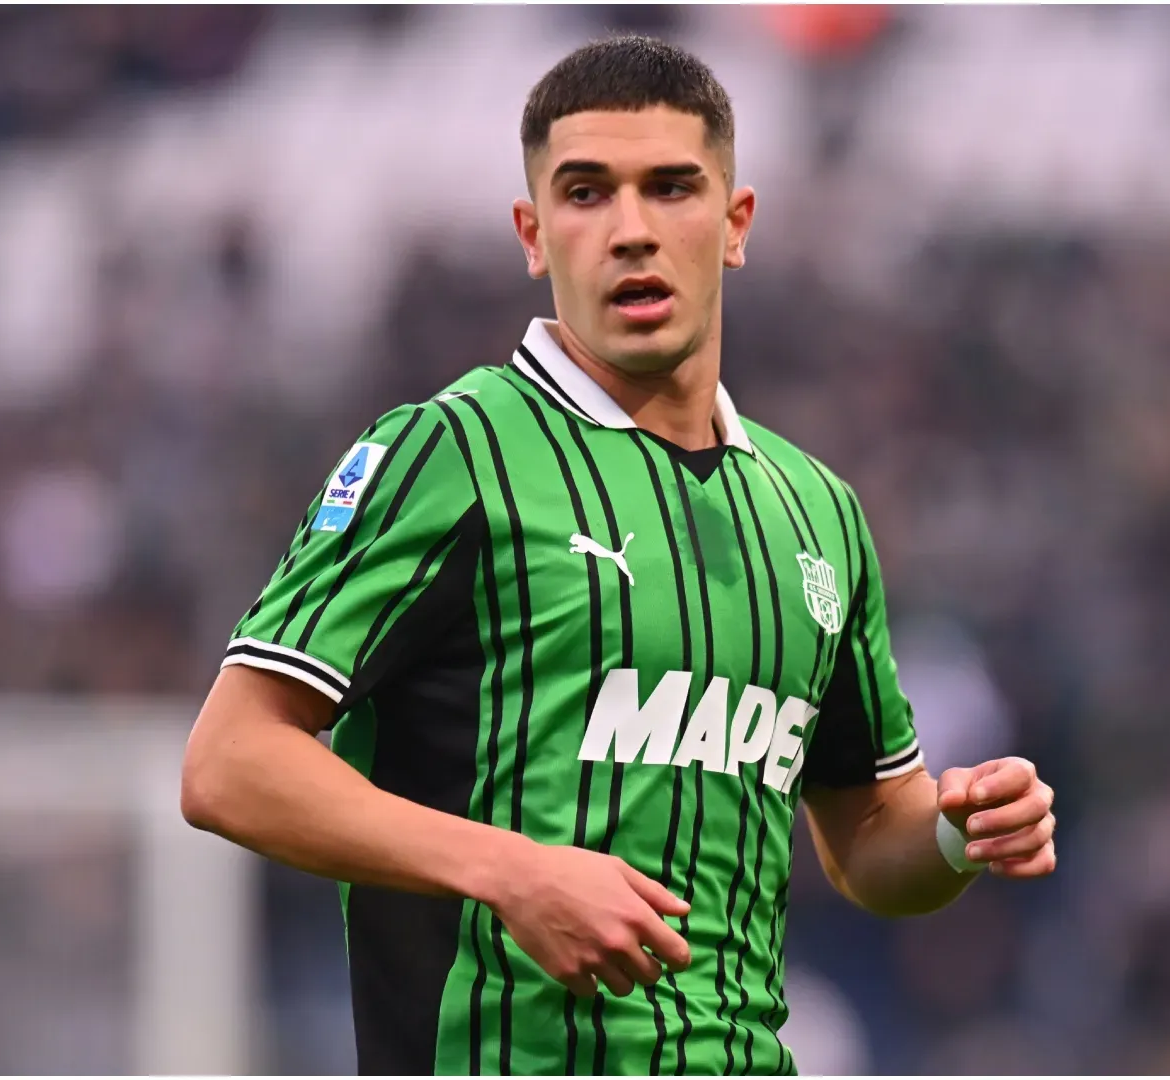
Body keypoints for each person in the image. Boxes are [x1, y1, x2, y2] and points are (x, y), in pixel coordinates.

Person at [180, 34, 1057, 1076]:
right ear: (533, 234)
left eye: (672, 188)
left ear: (734, 226)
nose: (631, 230)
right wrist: (511, 872)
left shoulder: (817, 511)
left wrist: (960, 832)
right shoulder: (455, 453)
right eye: (586, 193)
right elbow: (229, 763)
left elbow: (870, 838)